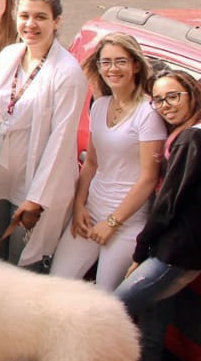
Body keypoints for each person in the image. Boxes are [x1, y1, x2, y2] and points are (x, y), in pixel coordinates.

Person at [0, 0, 87, 361]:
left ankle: (26, 349)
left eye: (41, 17)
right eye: (25, 16)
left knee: (23, 269)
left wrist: (37, 199)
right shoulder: (10, 55)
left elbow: (61, 142)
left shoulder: (67, 73)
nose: (31, 24)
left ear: (57, 22)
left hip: (34, 189)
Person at [93, 70, 201, 361]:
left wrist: (142, 250)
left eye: (174, 97)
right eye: (159, 99)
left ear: (192, 94)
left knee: (113, 315)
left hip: (173, 255)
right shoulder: (184, 135)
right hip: (177, 251)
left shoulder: (191, 139)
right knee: (151, 332)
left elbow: (168, 205)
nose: (166, 106)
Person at [50, 32, 165, 290]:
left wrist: (113, 222)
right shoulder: (100, 105)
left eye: (121, 61)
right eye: (106, 62)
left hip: (127, 222)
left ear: (136, 65)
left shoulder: (148, 114)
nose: (113, 69)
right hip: (91, 212)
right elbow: (91, 164)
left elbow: (148, 178)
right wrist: (79, 206)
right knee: (56, 285)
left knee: (106, 301)